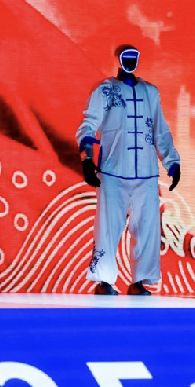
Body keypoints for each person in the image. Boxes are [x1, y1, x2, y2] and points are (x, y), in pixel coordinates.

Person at [76, 45, 181, 295]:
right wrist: (86, 158)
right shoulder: (105, 90)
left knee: (147, 228)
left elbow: (160, 130)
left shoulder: (150, 92)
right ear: (119, 60)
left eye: (135, 57)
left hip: (146, 172)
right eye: (127, 57)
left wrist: (172, 162)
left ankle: (140, 281)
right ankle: (104, 281)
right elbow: (88, 124)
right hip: (112, 170)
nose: (131, 61)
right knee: (107, 227)